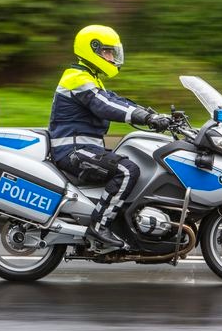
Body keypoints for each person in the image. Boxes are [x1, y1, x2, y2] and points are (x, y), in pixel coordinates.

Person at [48, 25, 170, 247]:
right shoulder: (76, 78)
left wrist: (152, 114)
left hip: (85, 148)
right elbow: (104, 106)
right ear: (92, 49)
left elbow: (117, 100)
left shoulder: (90, 78)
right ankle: (99, 226)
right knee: (126, 170)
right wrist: (145, 118)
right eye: (107, 52)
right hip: (73, 150)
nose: (112, 57)